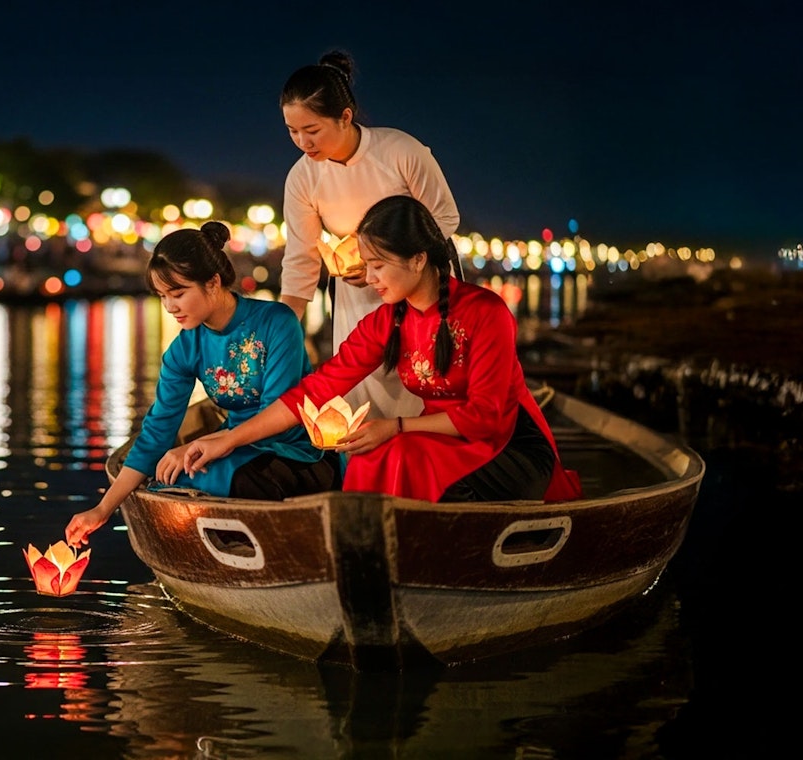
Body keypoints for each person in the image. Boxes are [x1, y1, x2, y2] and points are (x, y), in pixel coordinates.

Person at [184, 196, 582, 504]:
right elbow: (314, 390)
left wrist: (397, 426)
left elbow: (487, 416)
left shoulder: (485, 312)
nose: (366, 278)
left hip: (508, 444)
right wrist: (230, 440)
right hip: (441, 440)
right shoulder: (388, 320)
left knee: (400, 452)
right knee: (371, 456)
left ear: (418, 259)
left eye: (377, 265)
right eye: (366, 264)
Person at [65, 221, 336, 547]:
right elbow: (156, 433)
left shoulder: (277, 323)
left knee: (228, 477)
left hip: (294, 451)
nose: (170, 307)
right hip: (232, 449)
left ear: (213, 282)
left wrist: (209, 443)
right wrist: (103, 508)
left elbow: (279, 412)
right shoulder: (184, 349)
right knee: (167, 480)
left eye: (178, 293)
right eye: (163, 296)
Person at [279, 49, 460, 421]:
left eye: (312, 130)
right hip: (356, 296)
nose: (302, 142)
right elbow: (301, 259)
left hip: (423, 288)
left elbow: (444, 217)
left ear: (345, 117)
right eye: (292, 131)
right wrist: (280, 331)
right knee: (363, 391)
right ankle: (369, 472)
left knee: (431, 380)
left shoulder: (400, 151)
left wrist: (384, 261)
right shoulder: (302, 177)